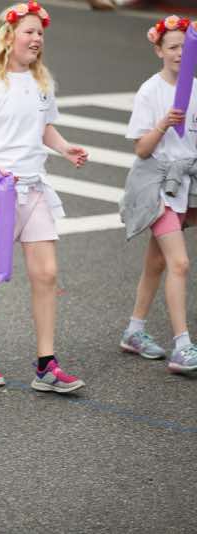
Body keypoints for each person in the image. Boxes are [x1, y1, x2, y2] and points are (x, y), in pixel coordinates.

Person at [0, 2, 89, 394]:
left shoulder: (41, 82)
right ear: (8, 36)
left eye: (40, 33)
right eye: (29, 31)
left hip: (34, 187)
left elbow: (44, 128)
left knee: (46, 273)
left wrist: (65, 148)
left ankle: (47, 364)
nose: (36, 39)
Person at [119, 14, 197, 374]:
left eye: (186, 47)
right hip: (156, 185)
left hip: (185, 183)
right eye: (173, 47)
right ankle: (183, 346)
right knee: (179, 262)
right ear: (159, 50)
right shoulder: (150, 91)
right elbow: (141, 149)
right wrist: (164, 123)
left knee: (157, 263)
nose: (180, 54)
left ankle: (134, 331)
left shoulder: (195, 87)